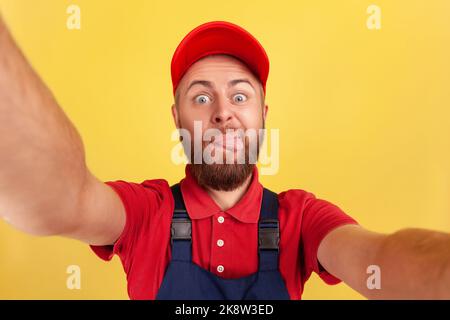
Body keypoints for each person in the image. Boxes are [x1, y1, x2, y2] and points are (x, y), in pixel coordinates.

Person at [0, 16, 449, 300]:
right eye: (201, 98)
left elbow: (381, 258)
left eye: (239, 95)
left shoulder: (302, 219)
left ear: (262, 115)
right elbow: (60, 200)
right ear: (177, 119)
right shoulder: (145, 214)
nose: (223, 113)